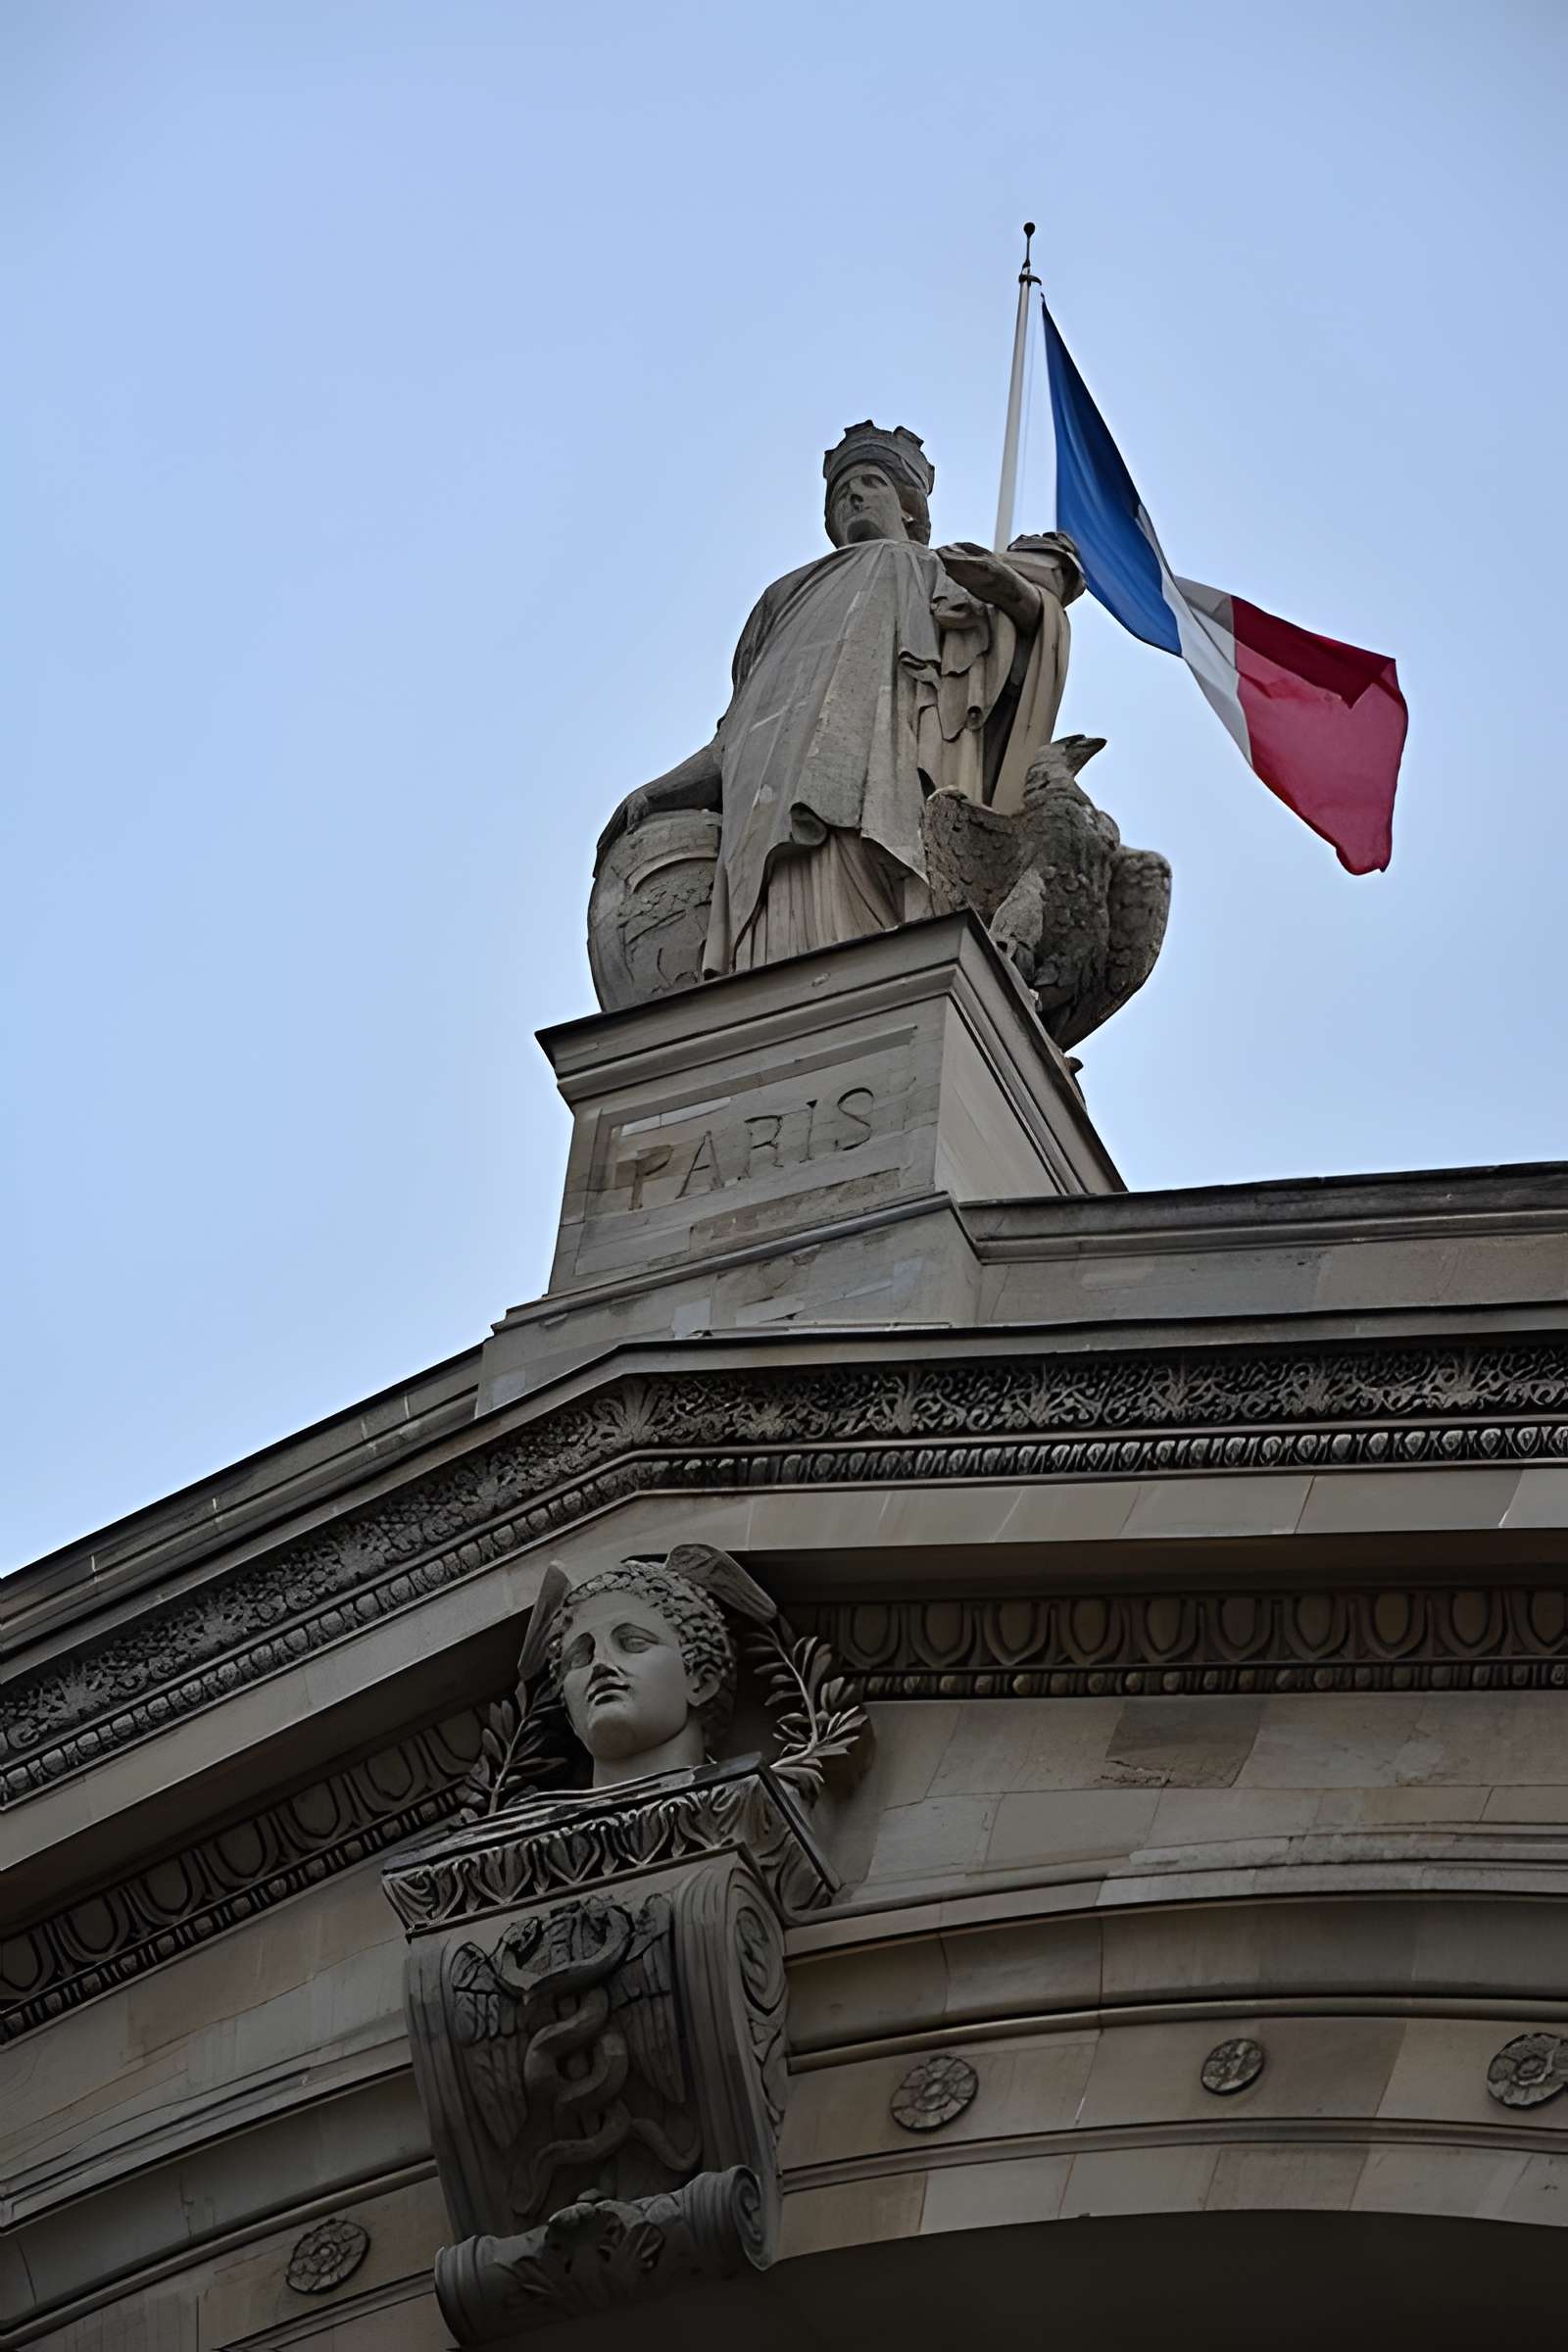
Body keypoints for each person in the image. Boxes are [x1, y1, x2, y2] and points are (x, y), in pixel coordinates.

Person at [596, 421, 1084, 976]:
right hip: (767, 813)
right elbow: (734, 740)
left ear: (909, 508)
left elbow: (1011, 647)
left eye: (871, 481)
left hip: (883, 791)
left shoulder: (927, 568)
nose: (852, 494)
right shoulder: (781, 598)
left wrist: (1007, 585)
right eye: (839, 491)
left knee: (875, 929)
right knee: (770, 951)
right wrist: (655, 794)